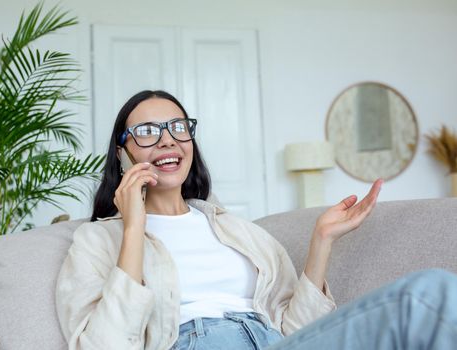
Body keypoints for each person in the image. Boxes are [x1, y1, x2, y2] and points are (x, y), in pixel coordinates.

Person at [55, 90, 457, 350]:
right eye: (146, 131)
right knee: (419, 297)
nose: (167, 139)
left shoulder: (236, 230)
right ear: (122, 153)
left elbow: (296, 330)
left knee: (431, 294)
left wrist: (321, 242)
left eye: (178, 127)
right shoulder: (97, 241)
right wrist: (133, 229)